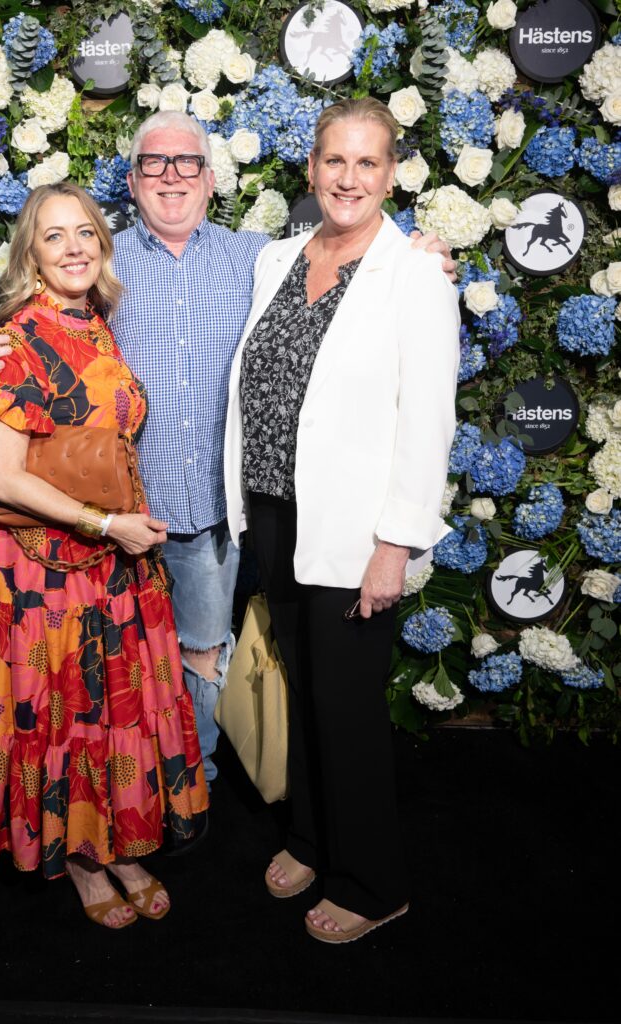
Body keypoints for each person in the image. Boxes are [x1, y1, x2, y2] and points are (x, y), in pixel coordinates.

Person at [0, 111, 455, 794]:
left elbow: (348, 260)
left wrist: (421, 255)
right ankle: (118, 798)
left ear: (211, 178)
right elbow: (39, 328)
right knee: (107, 664)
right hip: (112, 518)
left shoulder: (259, 259)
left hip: (207, 517)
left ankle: (188, 790)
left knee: (201, 654)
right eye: (154, 163)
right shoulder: (100, 261)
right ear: (131, 182)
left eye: (187, 162)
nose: (171, 176)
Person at [223, 98, 460, 943]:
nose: (348, 178)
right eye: (335, 161)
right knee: (302, 690)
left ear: (391, 174)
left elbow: (427, 421)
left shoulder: (413, 274)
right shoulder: (277, 258)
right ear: (312, 167)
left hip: (356, 532)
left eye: (367, 163)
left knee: (348, 705)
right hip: (274, 513)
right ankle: (311, 838)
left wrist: (394, 547)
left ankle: (371, 881)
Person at [0, 182, 208, 929]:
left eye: (84, 232)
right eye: (54, 236)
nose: (73, 247)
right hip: (52, 571)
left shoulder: (94, 322)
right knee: (69, 712)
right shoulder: (18, 339)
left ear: (102, 244)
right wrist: (106, 523)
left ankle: (119, 847)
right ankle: (79, 859)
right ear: (30, 256)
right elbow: (2, 478)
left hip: (114, 561)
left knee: (111, 711)